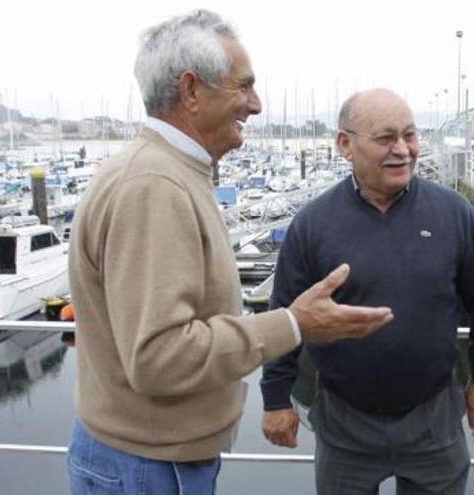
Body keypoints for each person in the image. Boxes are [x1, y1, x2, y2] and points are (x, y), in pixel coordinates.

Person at [66, 10, 393, 494]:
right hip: (148, 469)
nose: (256, 104)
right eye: (243, 87)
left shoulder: (165, 171)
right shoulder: (155, 185)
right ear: (191, 91)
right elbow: (160, 357)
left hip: (147, 460)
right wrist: (294, 324)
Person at [260, 88, 474, 494]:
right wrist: (275, 398)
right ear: (345, 144)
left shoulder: (454, 213)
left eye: (410, 135)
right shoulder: (312, 224)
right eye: (386, 137)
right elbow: (285, 314)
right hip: (344, 422)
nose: (404, 150)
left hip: (434, 419)